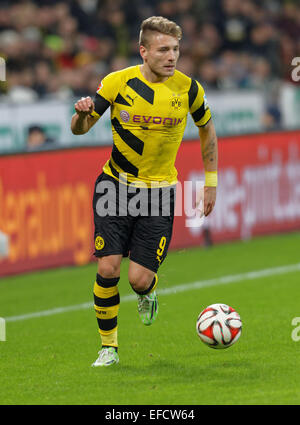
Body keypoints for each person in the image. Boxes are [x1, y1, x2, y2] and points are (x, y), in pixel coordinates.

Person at [71, 16, 218, 367]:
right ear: (144, 51)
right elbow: (80, 129)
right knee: (108, 268)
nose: (172, 57)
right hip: (115, 186)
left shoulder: (188, 89)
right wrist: (80, 115)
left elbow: (207, 129)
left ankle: (146, 292)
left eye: (176, 50)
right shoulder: (117, 83)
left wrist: (210, 183)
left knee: (138, 279)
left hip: (159, 192)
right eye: (164, 50)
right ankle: (109, 348)